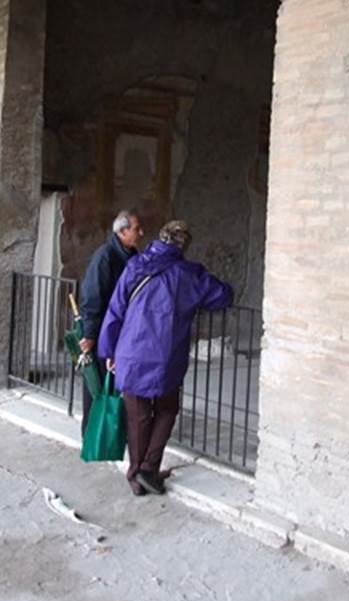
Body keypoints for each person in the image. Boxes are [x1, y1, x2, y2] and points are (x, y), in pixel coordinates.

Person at [98, 220, 233, 496]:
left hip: (130, 352)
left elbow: (115, 309)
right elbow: (221, 296)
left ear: (160, 239)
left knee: (138, 416)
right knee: (167, 409)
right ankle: (147, 469)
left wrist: (109, 350)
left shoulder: (135, 266)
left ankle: (137, 475)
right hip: (165, 356)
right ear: (184, 245)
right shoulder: (189, 274)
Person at [78, 210, 143, 435]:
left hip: (122, 329)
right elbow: (92, 295)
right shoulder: (105, 256)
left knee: (116, 383)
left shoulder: (132, 255)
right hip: (105, 329)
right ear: (123, 231)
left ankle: (112, 432)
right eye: (136, 229)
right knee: (98, 385)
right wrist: (90, 334)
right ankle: (93, 433)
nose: (141, 233)